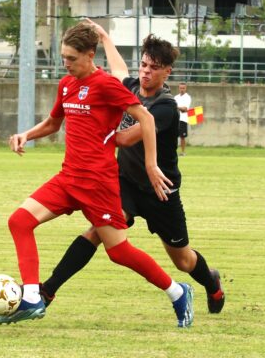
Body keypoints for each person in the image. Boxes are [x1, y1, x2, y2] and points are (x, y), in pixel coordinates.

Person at [0, 22, 195, 328]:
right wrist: (26, 134)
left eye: (72, 58)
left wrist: (151, 164)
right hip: (68, 179)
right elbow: (53, 123)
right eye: (63, 57)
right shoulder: (66, 84)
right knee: (19, 221)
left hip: (99, 184)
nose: (66, 63)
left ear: (90, 55)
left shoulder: (106, 85)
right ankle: (33, 296)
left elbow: (144, 117)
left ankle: (177, 291)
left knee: (119, 252)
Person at [40, 21, 225, 320]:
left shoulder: (164, 107)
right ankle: (47, 290)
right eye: (143, 64)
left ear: (167, 72)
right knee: (97, 232)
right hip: (125, 184)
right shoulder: (131, 87)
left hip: (160, 191)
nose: (146, 71)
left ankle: (211, 282)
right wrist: (103, 35)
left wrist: (93, 124)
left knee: (183, 260)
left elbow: (124, 138)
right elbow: (119, 68)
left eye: (154, 67)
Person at [174, 82, 192, 156]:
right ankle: (173, 152)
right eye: (181, 88)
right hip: (175, 119)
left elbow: (185, 109)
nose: (182, 89)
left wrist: (177, 107)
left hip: (183, 119)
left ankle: (183, 152)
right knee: (174, 136)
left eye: (183, 88)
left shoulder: (187, 97)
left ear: (186, 88)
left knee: (182, 136)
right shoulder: (176, 97)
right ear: (179, 88)